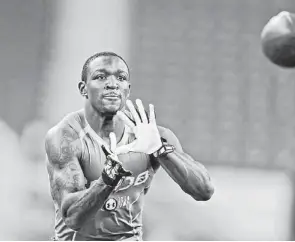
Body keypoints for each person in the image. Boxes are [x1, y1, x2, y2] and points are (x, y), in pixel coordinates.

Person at [45, 51, 214, 241]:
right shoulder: (66, 137)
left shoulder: (151, 135)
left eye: (121, 78)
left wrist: (159, 150)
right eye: (101, 77)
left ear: (128, 89)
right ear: (83, 88)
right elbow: (72, 217)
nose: (112, 84)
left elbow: (203, 191)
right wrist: (107, 179)